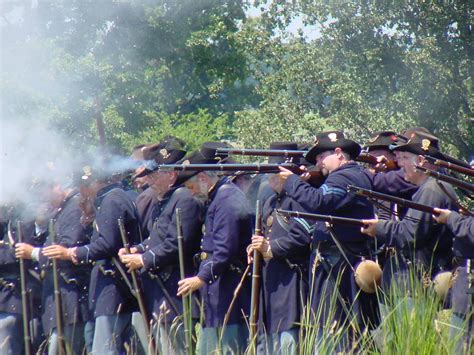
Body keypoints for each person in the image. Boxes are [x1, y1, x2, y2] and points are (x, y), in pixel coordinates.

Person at [278, 131, 378, 351]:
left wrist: (292, 182)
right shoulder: (350, 176)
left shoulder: (344, 177)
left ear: (339, 153)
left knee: (334, 335)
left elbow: (319, 202)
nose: (317, 162)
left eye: (321, 156)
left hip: (339, 267)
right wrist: (306, 182)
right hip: (338, 264)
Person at [43, 163, 141, 355]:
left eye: (82, 185)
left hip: (113, 287)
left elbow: (107, 244)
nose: (81, 191)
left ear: (93, 184)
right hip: (109, 287)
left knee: (106, 349)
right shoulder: (111, 198)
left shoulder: (111, 200)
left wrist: (71, 253)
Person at [119, 139, 203, 354]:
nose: (150, 180)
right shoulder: (163, 201)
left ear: (171, 175)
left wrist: (143, 260)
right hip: (159, 292)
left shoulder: (185, 200)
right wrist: (137, 249)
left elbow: (177, 243)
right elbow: (155, 238)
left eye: (155, 175)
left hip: (175, 291)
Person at [177, 149, 253, 354]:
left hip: (228, 288)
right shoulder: (219, 196)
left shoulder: (226, 199)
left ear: (202, 177)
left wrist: (200, 278)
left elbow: (224, 250)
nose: (191, 192)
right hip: (218, 288)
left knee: (227, 345)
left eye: (191, 186)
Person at [361, 131, 456, 294]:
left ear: (420, 161)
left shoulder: (431, 190)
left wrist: (380, 228)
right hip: (410, 278)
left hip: (417, 280)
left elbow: (412, 234)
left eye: (404, 158)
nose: (399, 163)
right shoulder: (429, 188)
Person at [247, 142, 312, 354]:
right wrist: (255, 247)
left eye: (275, 173)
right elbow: (265, 236)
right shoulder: (270, 202)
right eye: (269, 174)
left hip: (291, 278)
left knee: (288, 340)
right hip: (271, 278)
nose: (270, 178)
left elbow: (302, 237)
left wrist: (270, 247)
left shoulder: (300, 199)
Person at [16, 181, 92, 354]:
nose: (42, 198)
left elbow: (67, 248)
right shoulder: (62, 210)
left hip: (69, 295)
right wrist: (40, 225)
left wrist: (34, 253)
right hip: (59, 297)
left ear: (56, 185)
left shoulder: (74, 208)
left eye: (43, 191)